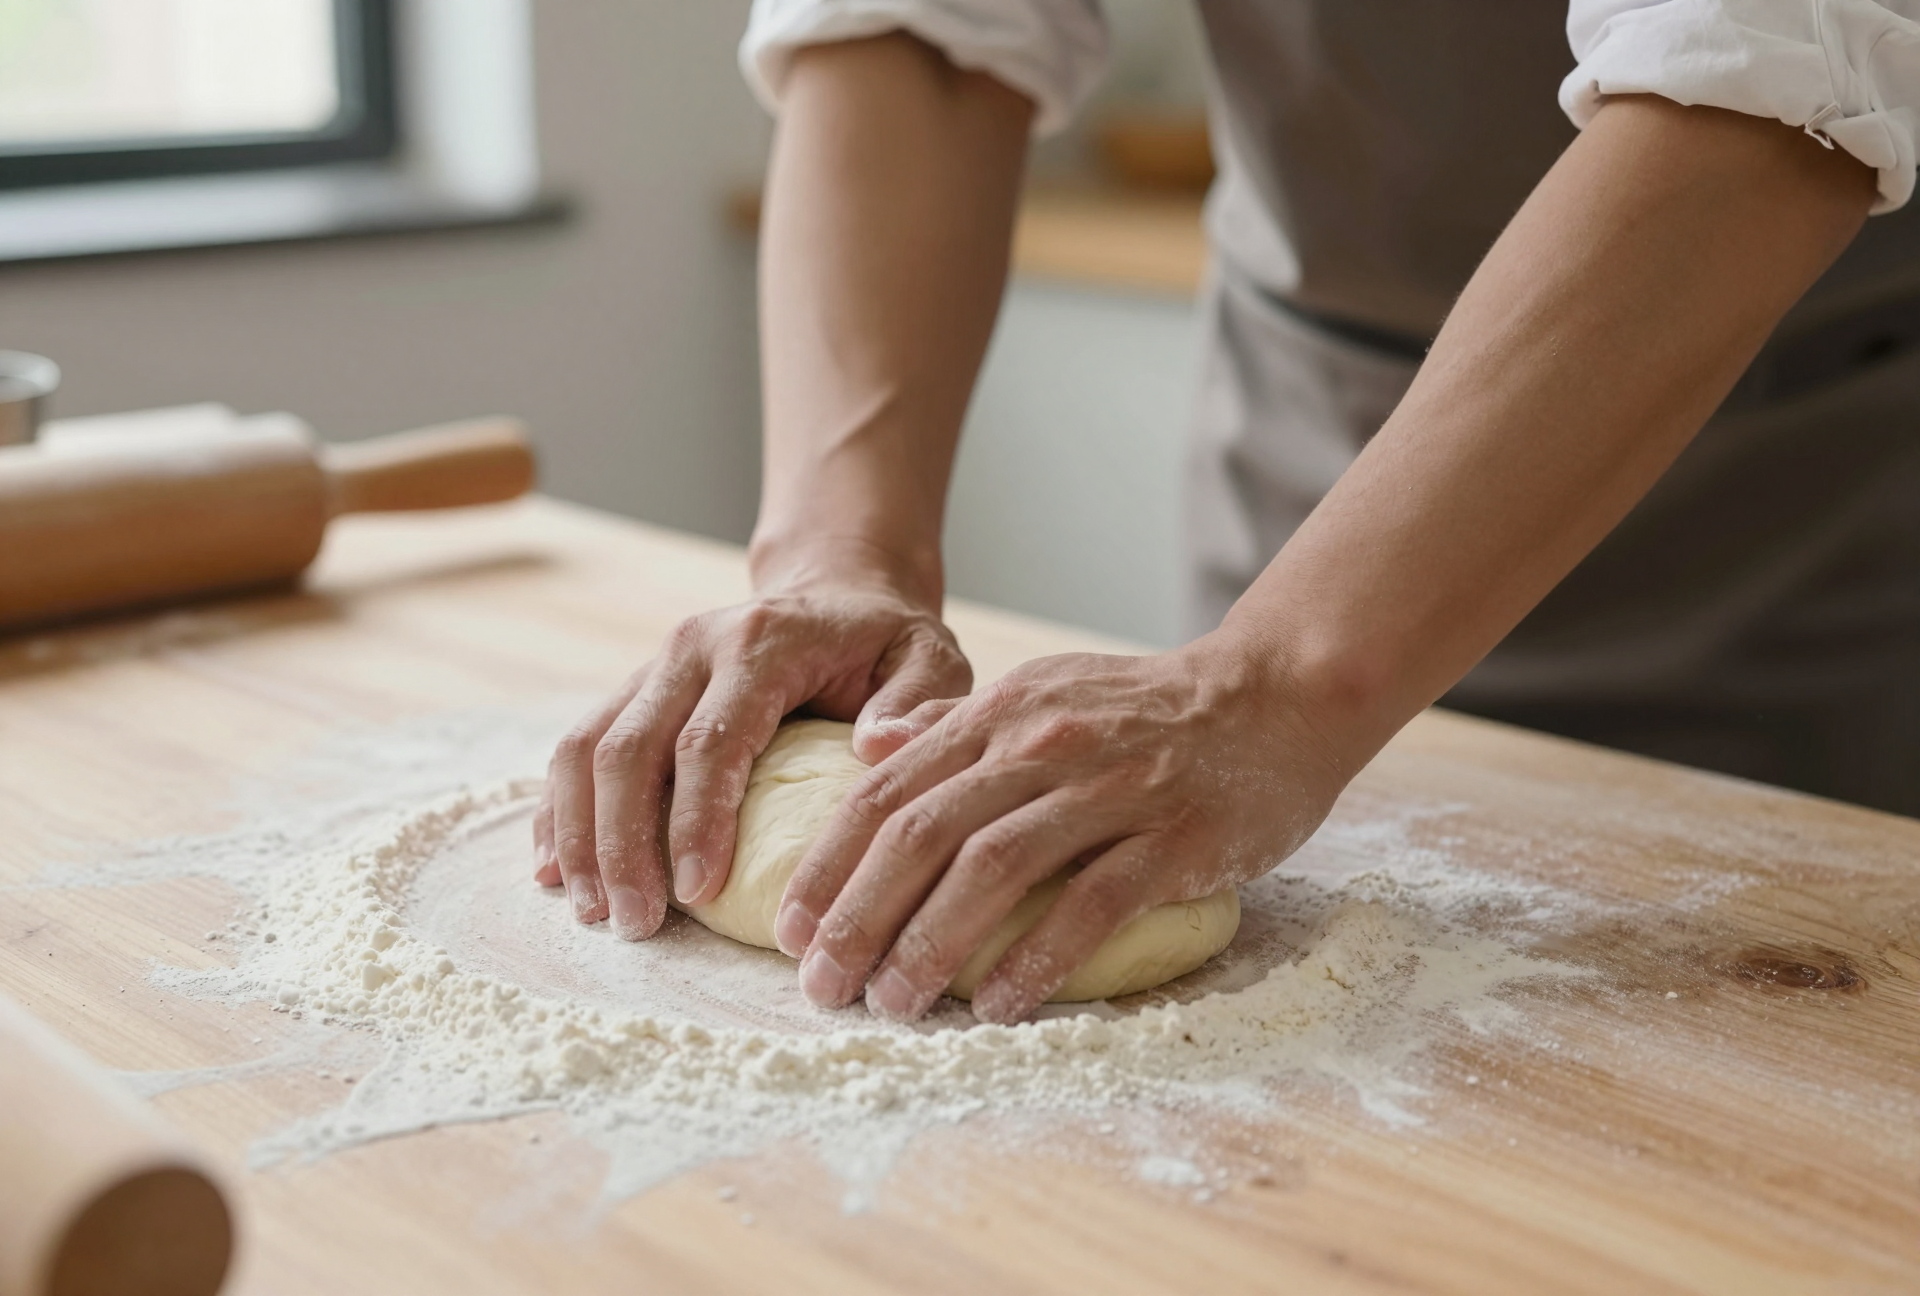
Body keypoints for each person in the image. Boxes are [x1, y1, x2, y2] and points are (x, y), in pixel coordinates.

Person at [533, 1, 1920, 1024]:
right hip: (1311, 427)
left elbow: (1765, 86)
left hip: (1809, 479)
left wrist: (1281, 683)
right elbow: (921, 30)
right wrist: (839, 551)